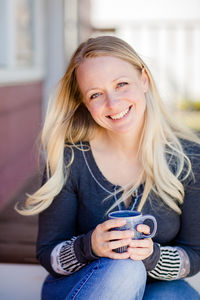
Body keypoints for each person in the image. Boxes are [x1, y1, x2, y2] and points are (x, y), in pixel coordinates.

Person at [16, 36, 200, 300]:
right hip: (83, 286)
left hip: (158, 286)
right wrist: (88, 246)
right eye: (96, 94)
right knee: (125, 271)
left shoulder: (189, 157)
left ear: (144, 80)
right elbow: (49, 254)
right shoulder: (69, 158)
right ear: (85, 103)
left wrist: (152, 256)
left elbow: (194, 255)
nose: (113, 104)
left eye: (121, 84)